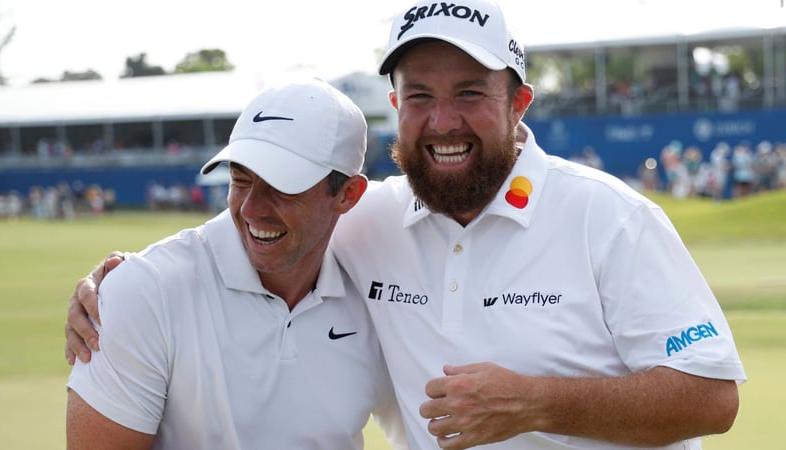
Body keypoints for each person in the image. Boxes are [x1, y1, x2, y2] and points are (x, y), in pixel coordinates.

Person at [66, 1, 746, 449]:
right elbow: (264, 225)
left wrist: (538, 403)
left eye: (470, 93)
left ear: (520, 103)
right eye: (420, 95)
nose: (442, 121)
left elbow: (712, 397)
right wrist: (121, 281)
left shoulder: (611, 219)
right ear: (395, 103)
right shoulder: (370, 220)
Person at [65, 78, 407, 450]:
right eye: (240, 180)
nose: (251, 209)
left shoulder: (381, 296)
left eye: (282, 187)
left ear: (348, 195)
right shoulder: (144, 290)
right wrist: (121, 289)